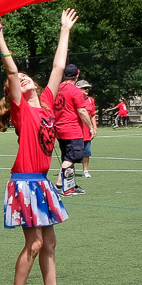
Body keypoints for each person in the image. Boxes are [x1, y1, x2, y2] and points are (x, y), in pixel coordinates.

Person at [0, 11, 84, 285]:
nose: (23, 77)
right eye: (17, 80)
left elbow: (58, 66)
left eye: (28, 76)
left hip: (41, 183)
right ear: (12, 90)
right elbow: (12, 69)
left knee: (50, 241)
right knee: (36, 242)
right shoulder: (21, 110)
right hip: (25, 182)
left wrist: (65, 29)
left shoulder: (45, 103)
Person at [52, 65, 93, 193]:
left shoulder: (56, 88)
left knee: (67, 157)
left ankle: (70, 184)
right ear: (77, 76)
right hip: (72, 129)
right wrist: (90, 127)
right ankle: (59, 185)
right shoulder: (75, 91)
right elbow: (81, 111)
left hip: (59, 128)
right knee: (72, 157)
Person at [76, 79, 96, 176]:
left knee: (87, 151)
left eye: (88, 88)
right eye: (84, 88)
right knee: (74, 153)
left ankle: (85, 171)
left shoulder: (90, 100)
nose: (87, 90)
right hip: (76, 129)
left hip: (87, 130)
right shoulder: (74, 99)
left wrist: (94, 128)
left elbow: (92, 115)